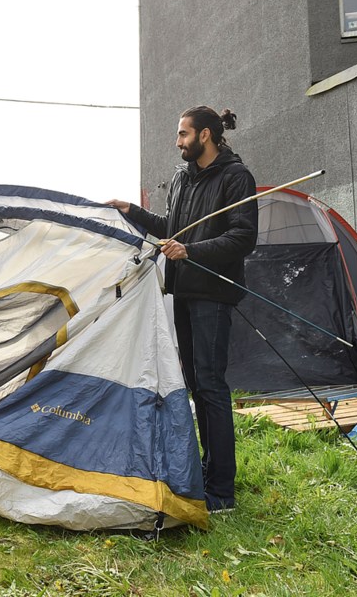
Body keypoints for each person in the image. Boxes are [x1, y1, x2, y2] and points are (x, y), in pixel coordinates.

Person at [107, 106, 257, 513]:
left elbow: (243, 237)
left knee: (211, 386)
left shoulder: (235, 177)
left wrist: (191, 251)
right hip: (184, 293)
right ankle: (207, 475)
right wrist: (131, 211)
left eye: (183, 134)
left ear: (205, 135)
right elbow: (173, 228)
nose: (178, 142)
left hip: (213, 295)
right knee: (196, 387)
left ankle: (222, 491)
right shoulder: (180, 178)